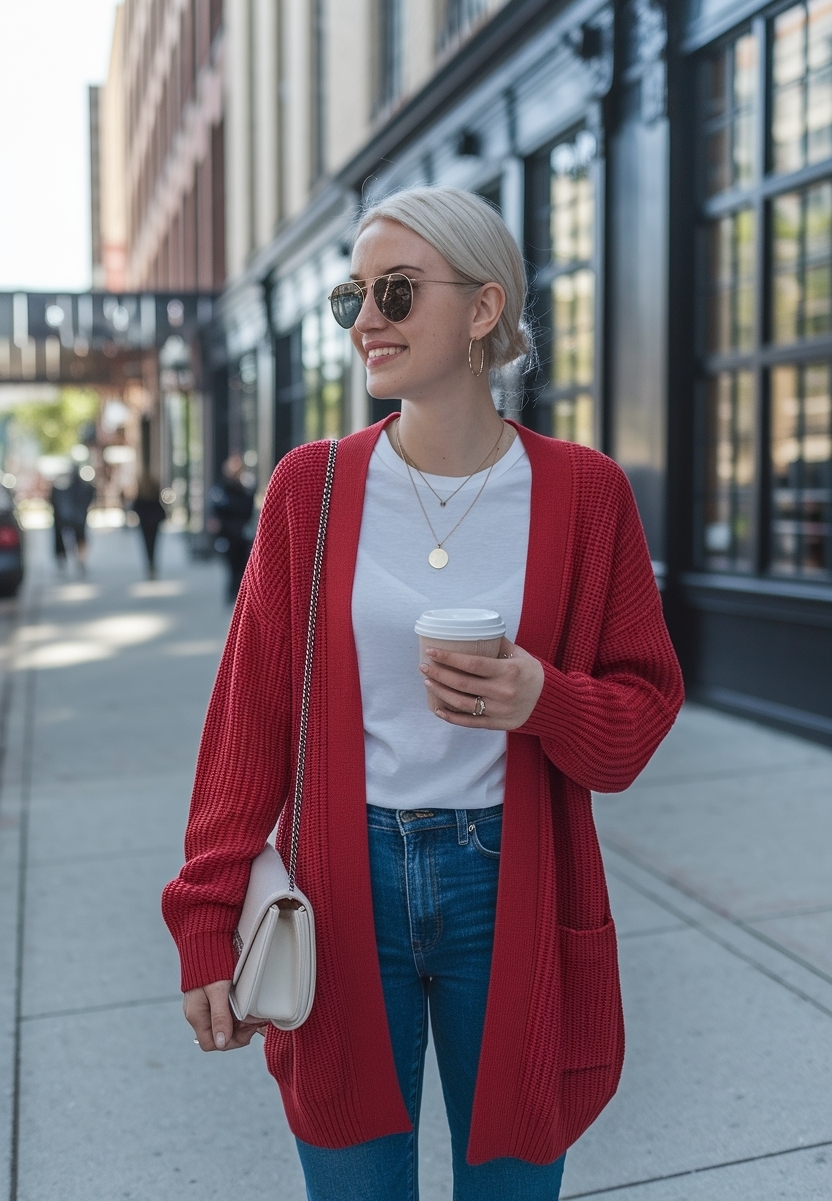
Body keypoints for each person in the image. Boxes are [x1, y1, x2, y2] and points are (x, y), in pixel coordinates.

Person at [162, 188, 684, 1200]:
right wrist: (207, 915)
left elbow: (632, 729)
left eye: (395, 291)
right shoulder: (307, 490)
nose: (366, 320)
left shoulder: (586, 495)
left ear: (484, 309)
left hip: (512, 888)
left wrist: (542, 700)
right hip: (343, 884)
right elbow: (247, 727)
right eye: (352, 295)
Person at [207, 455, 255, 602]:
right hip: (228, 533)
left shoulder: (245, 486)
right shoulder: (222, 487)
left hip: (240, 532)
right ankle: (232, 592)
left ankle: (237, 593)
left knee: (241, 564)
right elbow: (218, 506)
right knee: (231, 565)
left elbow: (247, 507)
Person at [51, 466, 94, 575]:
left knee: (75, 539)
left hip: (70, 517)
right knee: (80, 539)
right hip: (78, 517)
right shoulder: (81, 486)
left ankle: (78, 560)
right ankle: (80, 560)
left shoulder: (65, 486)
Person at [131, 472, 166, 578]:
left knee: (147, 545)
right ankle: (152, 565)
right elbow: (160, 509)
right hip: (154, 524)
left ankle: (150, 565)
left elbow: (135, 508)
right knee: (153, 545)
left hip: (145, 524)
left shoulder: (142, 494)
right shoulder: (153, 493)